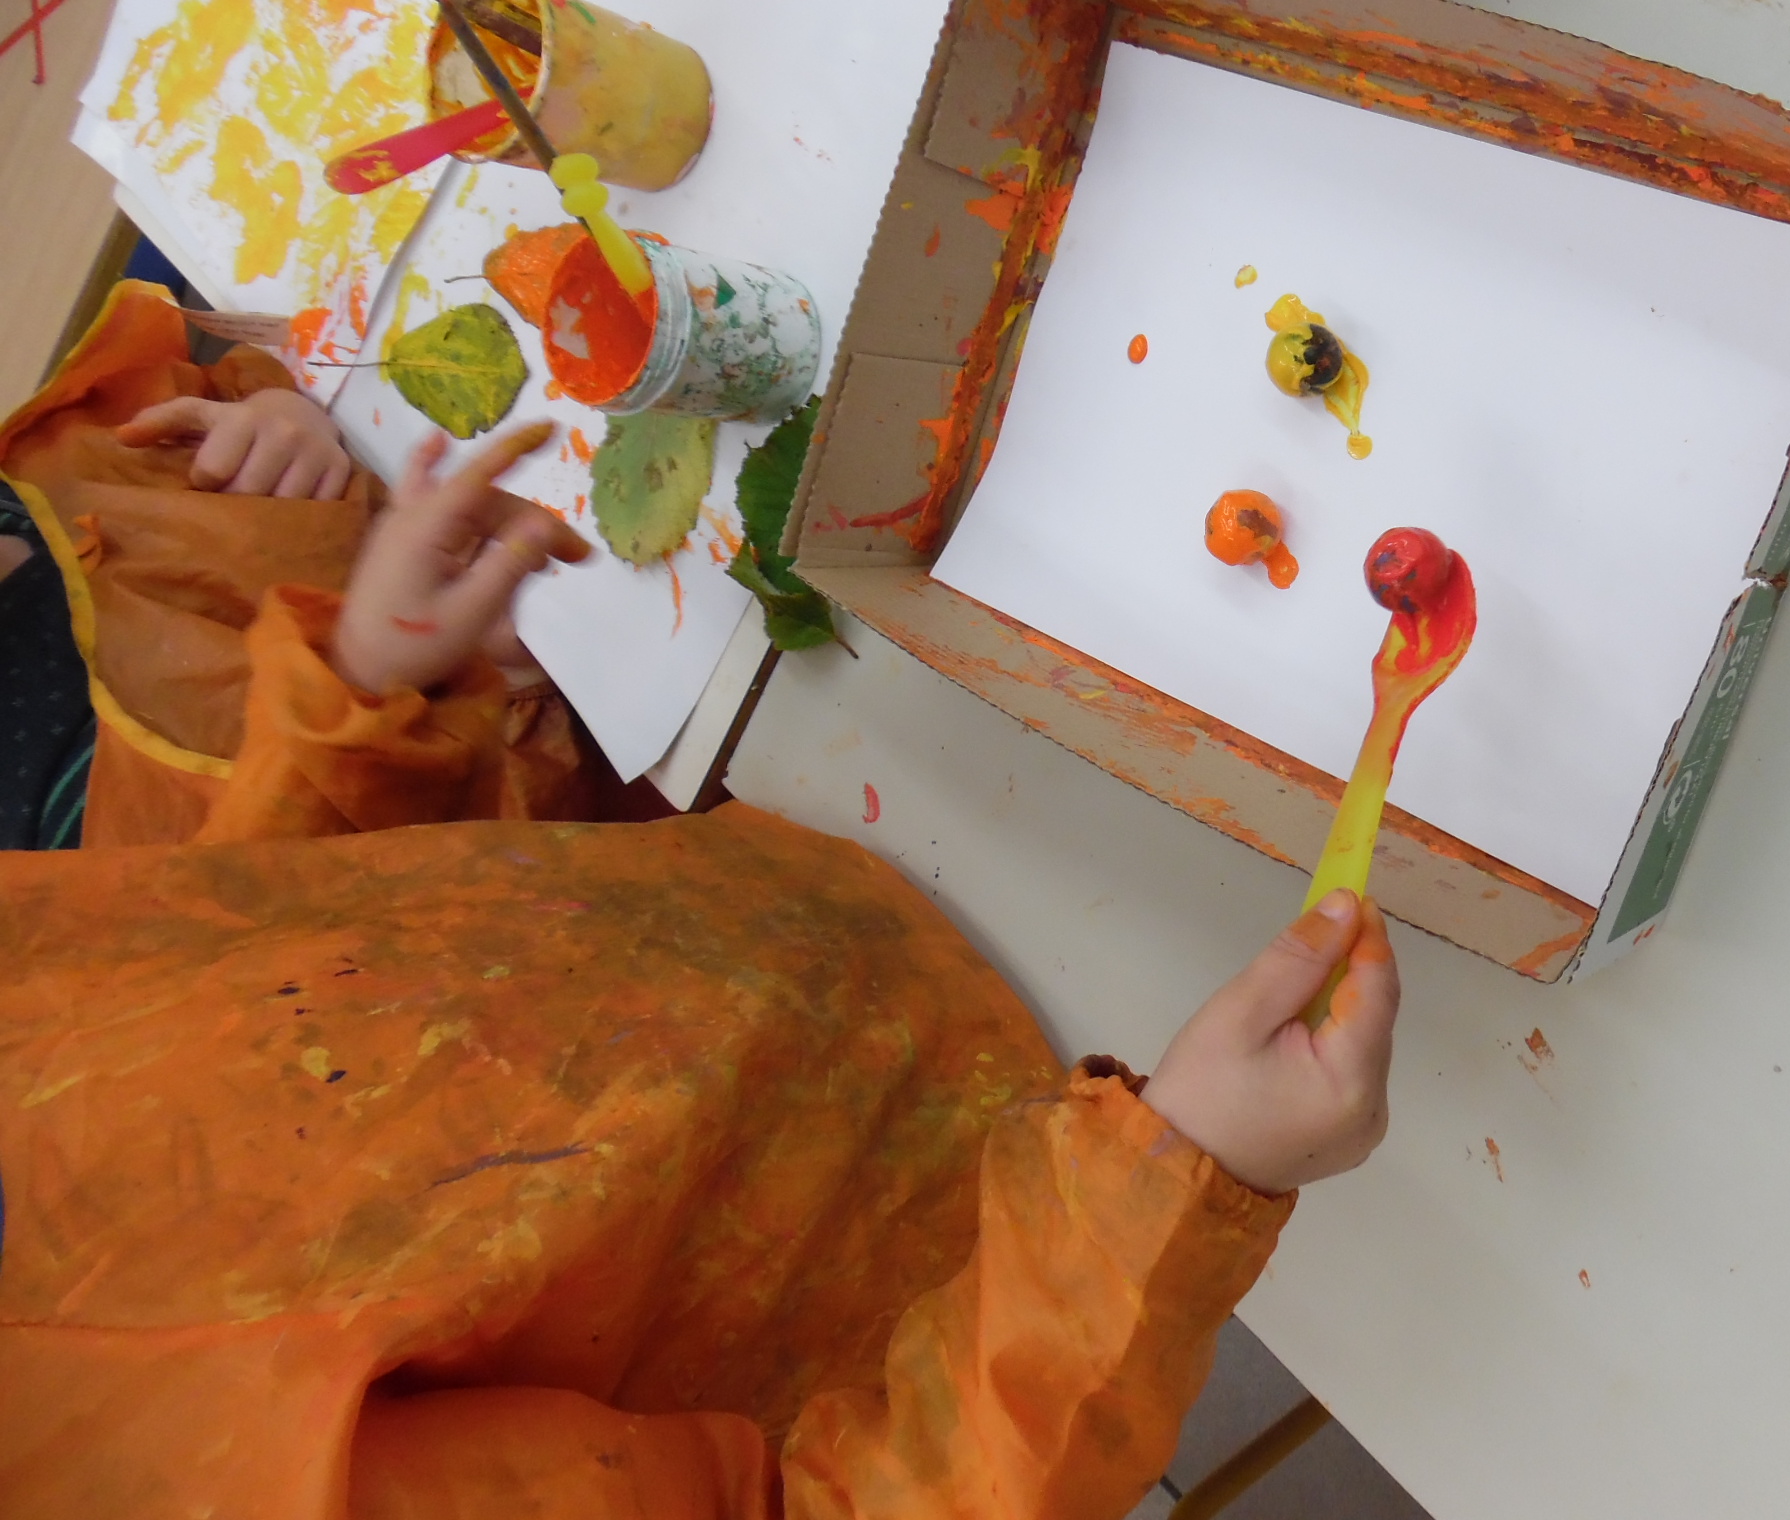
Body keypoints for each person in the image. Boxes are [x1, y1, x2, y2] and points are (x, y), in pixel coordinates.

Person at [0, 308, 1402, 1520]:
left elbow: (206, 1007)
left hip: (783, 890)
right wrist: (1165, 1191)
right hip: (1004, 1194)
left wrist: (355, 715)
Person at [0, 281, 612, 846]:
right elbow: (357, 899)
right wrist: (381, 677)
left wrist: (278, 415)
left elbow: (232, 382)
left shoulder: (34, 478)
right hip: (600, 727)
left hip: (550, 482)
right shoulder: (69, 836)